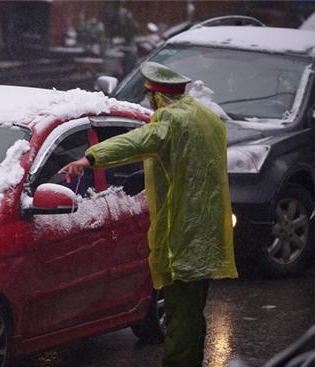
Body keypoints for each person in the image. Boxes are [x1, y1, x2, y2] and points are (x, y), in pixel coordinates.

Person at [59, 61, 238, 367]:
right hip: (207, 232)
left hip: (183, 234)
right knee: (192, 314)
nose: (148, 102)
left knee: (180, 317)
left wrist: (90, 158)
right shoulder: (205, 117)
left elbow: (137, 141)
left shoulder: (171, 121)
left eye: (149, 95)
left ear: (157, 96)